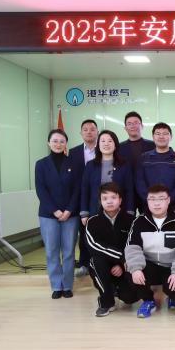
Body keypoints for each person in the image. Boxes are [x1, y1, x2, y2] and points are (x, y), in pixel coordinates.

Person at [125, 184, 175, 318]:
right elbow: (132, 248)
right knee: (131, 271)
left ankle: (173, 297)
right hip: (149, 266)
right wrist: (136, 268)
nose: (156, 203)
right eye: (152, 199)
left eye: (161, 199)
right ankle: (149, 300)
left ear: (168, 200)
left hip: (171, 266)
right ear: (147, 201)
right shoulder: (139, 221)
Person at [34, 129, 80, 299]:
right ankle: (56, 286)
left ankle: (67, 285)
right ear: (48, 143)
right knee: (51, 251)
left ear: (66, 143)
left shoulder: (74, 163)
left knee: (68, 251)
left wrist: (68, 210)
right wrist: (55, 210)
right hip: (48, 214)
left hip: (71, 214)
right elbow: (41, 190)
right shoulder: (41, 164)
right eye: (55, 141)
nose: (58, 144)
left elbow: (77, 189)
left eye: (62, 141)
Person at [84, 182, 138, 317]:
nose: (109, 201)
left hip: (125, 266)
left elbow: (135, 245)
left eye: (113, 197)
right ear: (100, 201)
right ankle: (106, 301)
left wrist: (121, 265)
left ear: (120, 200)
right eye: (105, 198)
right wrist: (120, 258)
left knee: (131, 297)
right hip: (104, 265)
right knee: (95, 261)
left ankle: (113, 289)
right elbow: (94, 246)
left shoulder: (131, 220)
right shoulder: (92, 221)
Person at [80, 130, 134, 223]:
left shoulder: (124, 165)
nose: (106, 144)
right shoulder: (90, 165)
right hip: (95, 210)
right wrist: (84, 212)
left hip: (119, 211)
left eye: (110, 141)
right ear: (98, 145)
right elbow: (85, 189)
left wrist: (130, 211)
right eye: (103, 141)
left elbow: (129, 189)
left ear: (115, 145)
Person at [68, 118, 98, 277]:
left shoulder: (105, 148)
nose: (89, 132)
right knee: (84, 233)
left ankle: (100, 264)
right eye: (85, 129)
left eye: (92, 129)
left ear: (97, 132)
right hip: (80, 199)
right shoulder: (73, 152)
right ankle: (84, 264)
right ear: (81, 133)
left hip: (102, 198)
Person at [136, 122, 175, 213]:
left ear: (171, 137)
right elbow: (140, 182)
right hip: (149, 206)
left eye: (165, 134)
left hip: (173, 206)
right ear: (153, 137)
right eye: (158, 134)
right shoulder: (144, 158)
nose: (161, 136)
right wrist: (151, 199)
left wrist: (169, 200)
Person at [119, 111, 155, 213]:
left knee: (148, 219)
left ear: (142, 126)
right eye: (129, 124)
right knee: (127, 220)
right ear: (125, 128)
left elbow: (165, 151)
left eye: (136, 123)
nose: (132, 126)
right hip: (127, 192)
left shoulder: (152, 145)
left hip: (148, 190)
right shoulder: (119, 148)